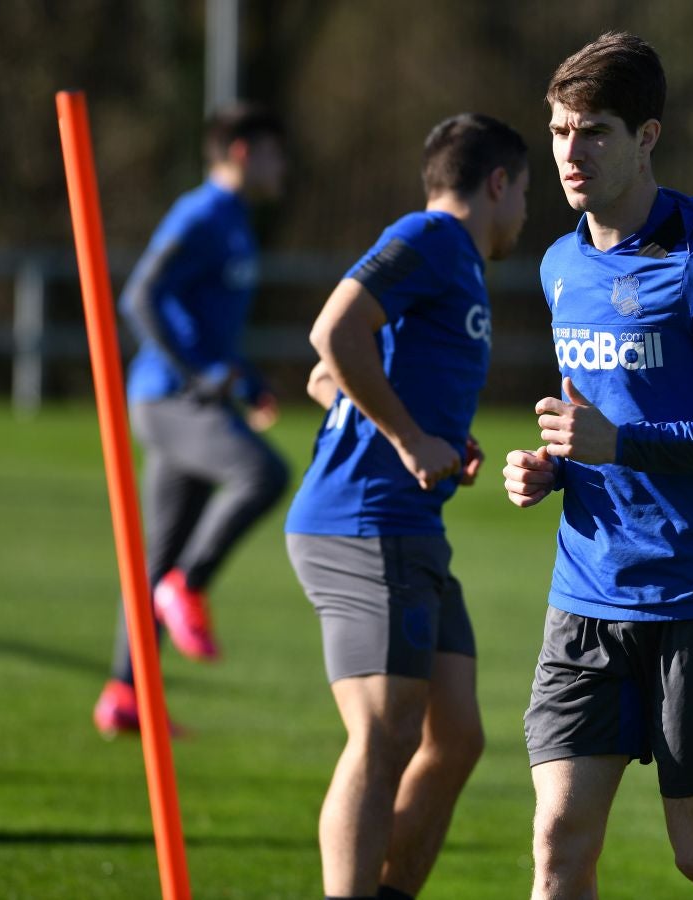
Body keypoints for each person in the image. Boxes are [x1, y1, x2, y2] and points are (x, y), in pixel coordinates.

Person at [502, 32, 693, 900]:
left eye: (594, 131)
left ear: (647, 138)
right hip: (584, 595)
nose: (571, 152)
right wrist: (554, 466)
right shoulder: (560, 265)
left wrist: (625, 446)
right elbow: (594, 419)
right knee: (557, 842)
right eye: (559, 131)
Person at [283, 113, 529, 900]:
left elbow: (328, 380)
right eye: (526, 194)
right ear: (498, 183)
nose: (525, 213)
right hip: (364, 522)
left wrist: (439, 437)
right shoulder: (430, 236)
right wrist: (408, 437)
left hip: (409, 526)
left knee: (456, 739)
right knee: (385, 733)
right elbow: (333, 334)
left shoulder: (454, 260)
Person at [92, 103, 291, 735]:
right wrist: (196, 374)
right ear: (241, 152)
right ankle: (190, 586)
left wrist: (247, 380)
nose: (283, 166)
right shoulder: (201, 213)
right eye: (273, 153)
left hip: (194, 398)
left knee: (159, 555)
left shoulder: (236, 220)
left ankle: (125, 694)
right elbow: (140, 296)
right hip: (168, 400)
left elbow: (208, 324)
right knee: (263, 473)